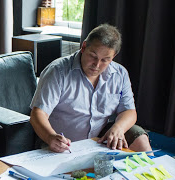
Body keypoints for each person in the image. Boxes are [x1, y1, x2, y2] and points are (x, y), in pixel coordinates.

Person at [30, 23, 152, 153]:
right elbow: (38, 114)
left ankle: (152, 170)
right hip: (63, 142)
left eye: (105, 60)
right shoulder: (58, 71)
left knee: (140, 137)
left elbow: (129, 111)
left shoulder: (120, 74)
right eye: (93, 56)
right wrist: (50, 137)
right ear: (83, 47)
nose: (97, 65)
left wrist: (119, 128)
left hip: (99, 139)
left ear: (113, 57)